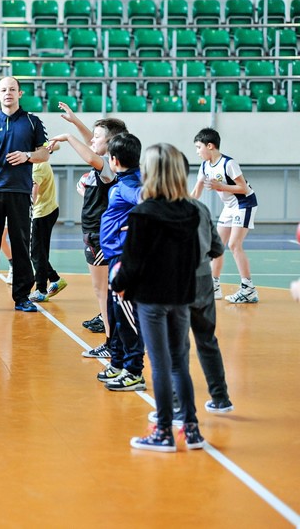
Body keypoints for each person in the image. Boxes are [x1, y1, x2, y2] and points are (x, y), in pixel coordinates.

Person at [111, 143, 204, 452]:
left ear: (149, 173)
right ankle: (191, 429)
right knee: (179, 363)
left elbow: (133, 263)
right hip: (181, 295)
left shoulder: (143, 213)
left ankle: (163, 430)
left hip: (151, 298)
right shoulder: (190, 211)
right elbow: (193, 258)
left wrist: (117, 282)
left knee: (160, 365)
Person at [48, 104, 128, 354]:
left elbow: (92, 154)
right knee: (103, 291)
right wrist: (76, 123)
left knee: (103, 292)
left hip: (101, 236)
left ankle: (111, 342)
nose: (92, 139)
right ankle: (114, 339)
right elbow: (93, 144)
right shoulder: (106, 161)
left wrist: (67, 136)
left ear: (111, 143)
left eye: (97, 136)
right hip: (93, 235)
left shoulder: (107, 166)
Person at [0, 76, 49, 313]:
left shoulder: (32, 122)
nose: (8, 93)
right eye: (3, 90)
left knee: (20, 245)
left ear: (20, 94)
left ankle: (22, 297)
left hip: (19, 191)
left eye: (12, 89)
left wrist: (27, 156)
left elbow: (44, 154)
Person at [191, 127, 259, 304]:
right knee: (217, 246)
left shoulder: (228, 163)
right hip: (229, 207)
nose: (197, 152)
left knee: (235, 244)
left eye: (199, 147)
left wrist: (219, 186)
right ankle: (214, 286)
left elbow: (243, 188)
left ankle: (248, 288)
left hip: (245, 203)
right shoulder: (205, 166)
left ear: (210, 146)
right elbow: (196, 192)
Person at [29, 153, 67, 302]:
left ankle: (41, 290)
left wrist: (26, 208)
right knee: (39, 251)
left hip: (41, 213)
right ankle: (54, 278)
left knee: (37, 252)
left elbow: (34, 190)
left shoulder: (37, 165)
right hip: (48, 210)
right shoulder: (39, 160)